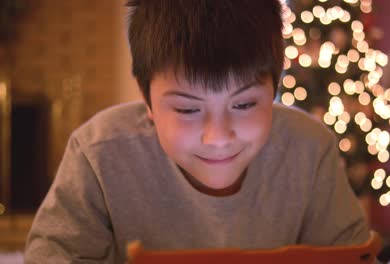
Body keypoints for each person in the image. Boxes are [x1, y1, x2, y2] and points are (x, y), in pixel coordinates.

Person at [24, 0, 370, 262]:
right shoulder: (99, 152)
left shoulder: (309, 149)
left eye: (245, 104)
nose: (218, 137)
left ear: (273, 88)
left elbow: (352, 254)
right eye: (188, 109)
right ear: (147, 100)